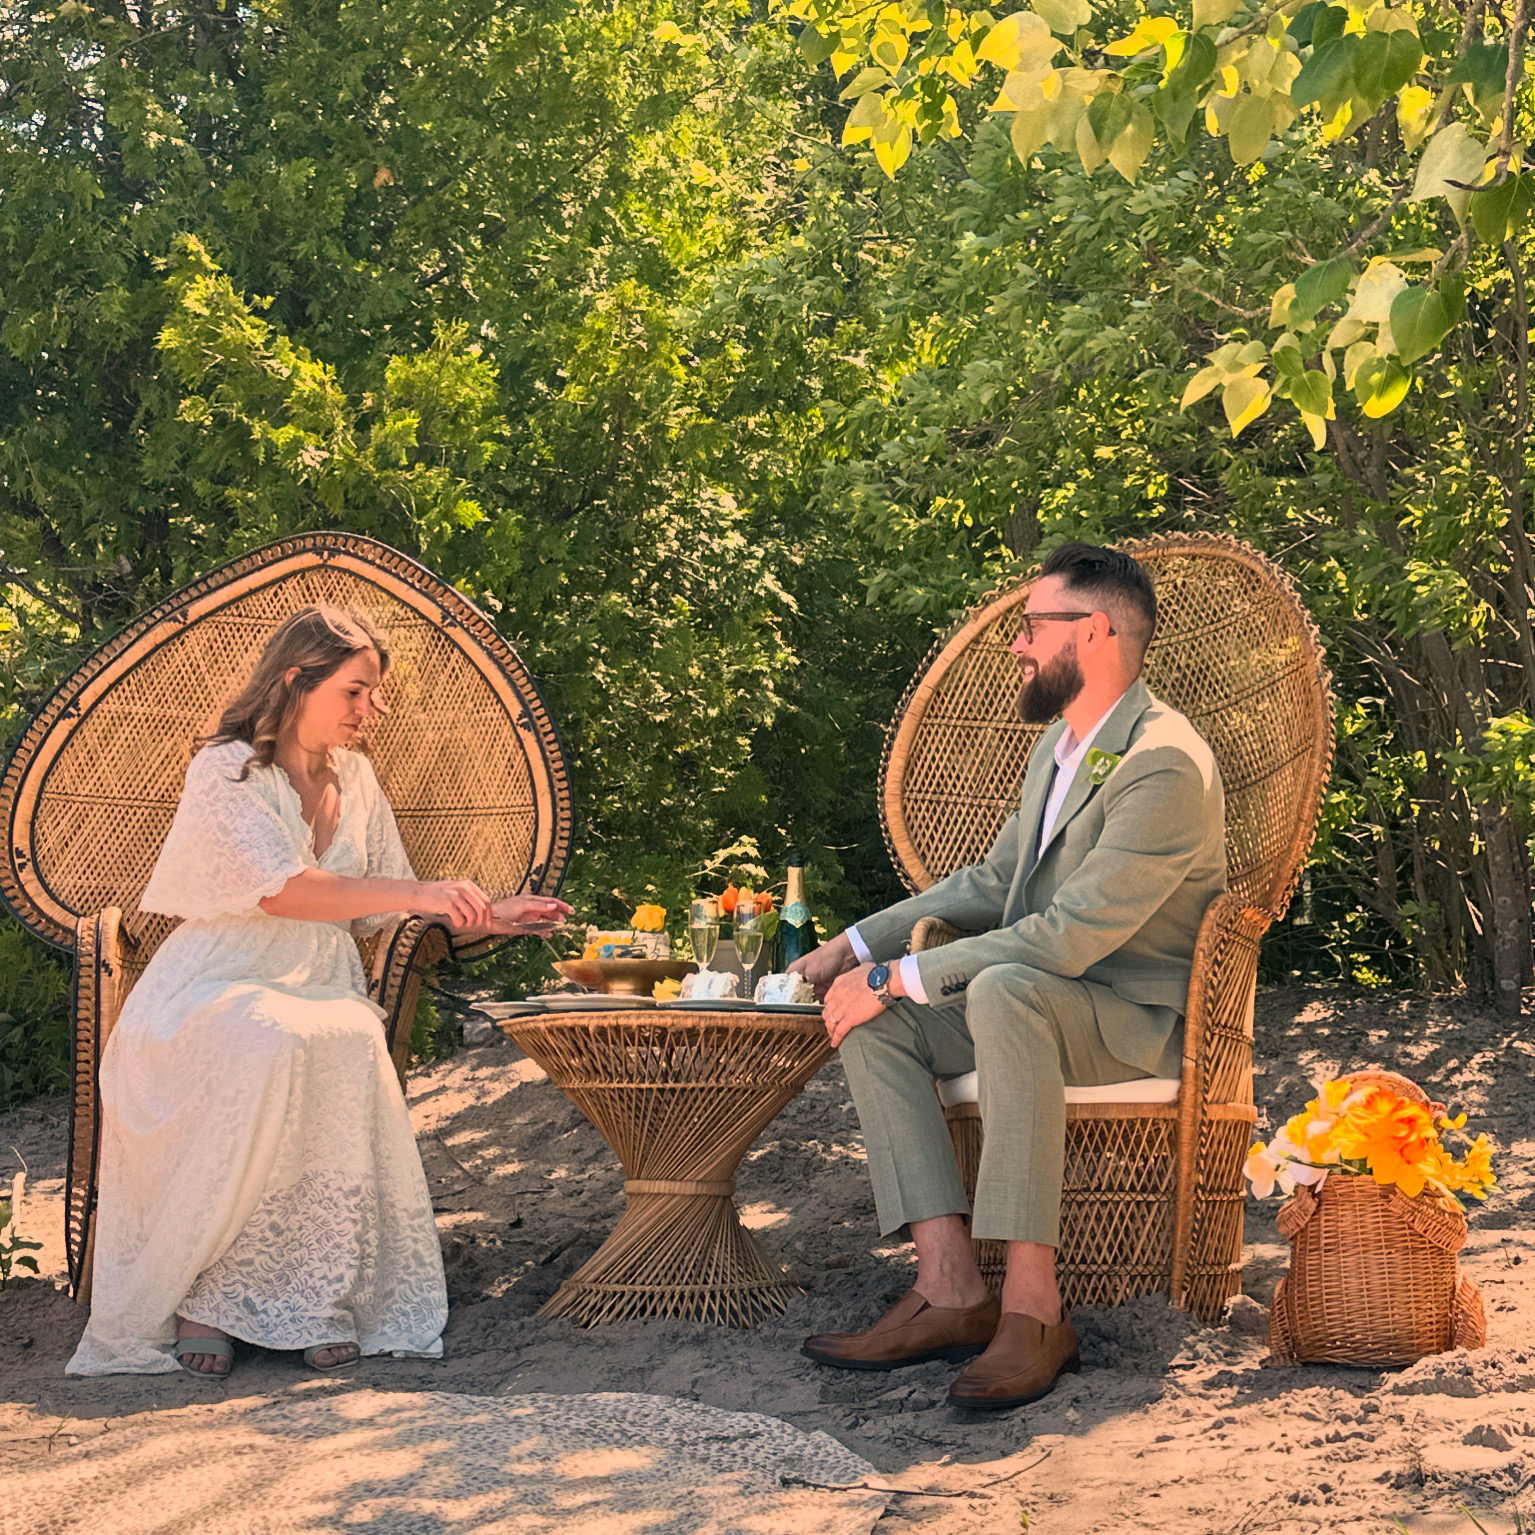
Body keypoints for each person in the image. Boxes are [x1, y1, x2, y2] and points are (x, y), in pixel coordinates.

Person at [66, 605, 572, 1378]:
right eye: (356, 691)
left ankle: (317, 1296)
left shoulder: (358, 777)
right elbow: (281, 893)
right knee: (270, 1034)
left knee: (344, 1034)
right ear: (296, 679)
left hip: (317, 980)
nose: (370, 710)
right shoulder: (224, 769)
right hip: (215, 980)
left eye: (373, 694)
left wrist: (493, 912)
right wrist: (429, 890)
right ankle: (207, 1295)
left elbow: (378, 902)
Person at [788, 542, 1225, 1410]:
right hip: (1037, 998)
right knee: (872, 1019)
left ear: (1092, 630)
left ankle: (1035, 1309)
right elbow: (992, 884)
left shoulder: (1163, 760)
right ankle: (950, 1289)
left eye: (1031, 626)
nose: (1018, 645)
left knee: (996, 986)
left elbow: (1067, 936)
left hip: (1126, 1015)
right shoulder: (1060, 749)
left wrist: (903, 973)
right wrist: (856, 949)